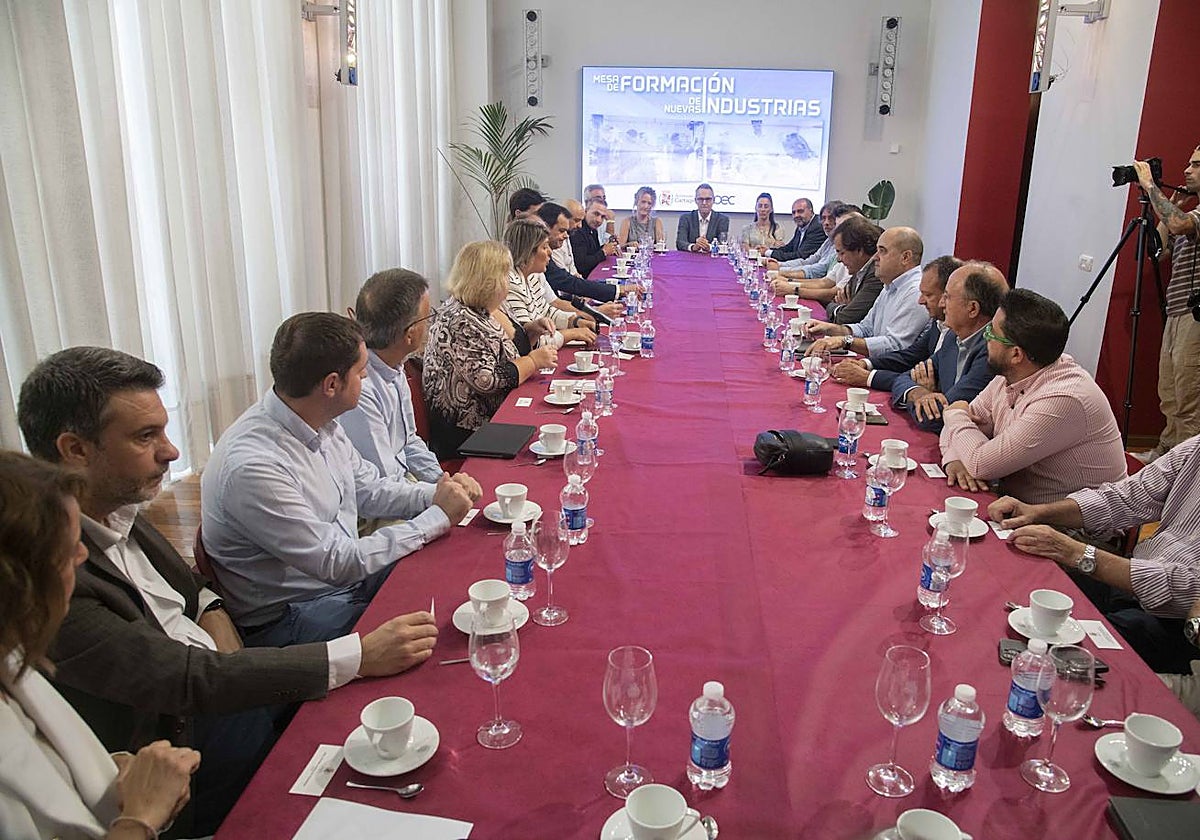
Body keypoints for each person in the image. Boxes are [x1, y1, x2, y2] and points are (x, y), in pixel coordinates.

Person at [17, 347, 449, 834]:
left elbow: (191, 584)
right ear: (75, 450)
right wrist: (359, 656)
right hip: (202, 754)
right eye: (145, 436)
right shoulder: (53, 577)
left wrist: (214, 613)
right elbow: (185, 679)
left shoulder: (115, 506)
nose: (172, 451)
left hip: (234, 677)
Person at [202, 314, 474, 647]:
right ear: (331, 385)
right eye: (362, 374)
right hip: (294, 616)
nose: (368, 379)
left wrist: (435, 495)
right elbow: (338, 562)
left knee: (458, 573)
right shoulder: (255, 469)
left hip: (339, 585)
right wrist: (438, 516)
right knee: (437, 634)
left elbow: (368, 488)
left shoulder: (319, 419)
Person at [0, 451, 200, 840]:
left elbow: (40, 766)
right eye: (67, 552)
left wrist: (118, 773)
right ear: (20, 585)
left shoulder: (13, 658)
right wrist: (140, 818)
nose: (83, 557)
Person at [989, 433, 1200, 673]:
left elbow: (1188, 588)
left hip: (1177, 623)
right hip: (1132, 577)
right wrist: (1037, 512)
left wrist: (1080, 554)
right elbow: (1122, 499)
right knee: (1022, 593)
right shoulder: (1194, 448)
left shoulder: (1067, 396)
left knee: (1059, 659)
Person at [939, 289, 1127, 503]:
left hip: (1070, 528)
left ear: (1016, 354)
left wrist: (953, 413)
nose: (985, 337)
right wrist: (953, 458)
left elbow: (980, 463)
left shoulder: (1064, 398)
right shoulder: (1012, 374)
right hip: (1015, 504)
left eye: (991, 332)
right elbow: (965, 432)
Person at [341, 268, 480, 485]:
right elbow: (384, 483)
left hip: (405, 485)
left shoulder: (395, 364)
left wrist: (443, 481)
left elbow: (409, 442)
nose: (431, 323)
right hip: (382, 503)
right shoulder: (361, 390)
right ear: (410, 333)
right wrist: (435, 496)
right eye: (428, 316)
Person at [833, 259, 1005, 433]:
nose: (941, 304)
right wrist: (918, 392)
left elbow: (935, 418)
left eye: (947, 297)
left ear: (972, 309)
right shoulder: (953, 336)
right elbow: (905, 376)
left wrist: (925, 396)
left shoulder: (992, 353)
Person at [424, 240, 559, 459]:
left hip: (492, 419)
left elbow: (506, 351)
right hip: (469, 432)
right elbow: (487, 380)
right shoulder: (460, 319)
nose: (508, 281)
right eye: (505, 275)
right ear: (489, 280)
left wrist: (532, 332)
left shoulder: (483, 307)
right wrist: (533, 362)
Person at [1132, 150, 1200, 464]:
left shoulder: (1192, 220)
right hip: (1178, 311)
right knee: (1170, 393)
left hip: (1195, 315)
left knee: (1189, 396)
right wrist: (1168, 208)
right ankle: (1166, 454)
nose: (1186, 170)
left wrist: (1151, 187)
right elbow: (1156, 253)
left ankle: (1183, 469)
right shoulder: (1190, 214)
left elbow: (1180, 223)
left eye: (1196, 165)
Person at [805, 227, 929, 357]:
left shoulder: (915, 292)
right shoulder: (891, 285)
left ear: (905, 257)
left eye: (882, 251)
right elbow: (866, 328)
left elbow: (895, 345)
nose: (875, 257)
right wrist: (829, 329)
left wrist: (844, 341)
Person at [503, 218, 598, 340]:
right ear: (528, 252)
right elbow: (527, 340)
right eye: (544, 247)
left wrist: (575, 321)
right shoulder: (511, 284)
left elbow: (546, 311)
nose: (550, 252)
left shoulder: (533, 276)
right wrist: (572, 334)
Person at [773, 214, 880, 322]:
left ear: (859, 251)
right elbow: (827, 287)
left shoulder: (874, 274)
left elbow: (844, 317)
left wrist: (792, 287)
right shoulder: (859, 268)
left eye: (842, 253)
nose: (838, 259)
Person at [535, 203, 633, 315]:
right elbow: (566, 283)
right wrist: (596, 312)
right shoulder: (534, 264)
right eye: (562, 231)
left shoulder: (575, 235)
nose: (567, 235)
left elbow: (555, 301)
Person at [570, 198, 620, 279]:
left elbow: (593, 252)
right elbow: (581, 264)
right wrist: (604, 252)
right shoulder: (577, 230)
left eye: (602, 217)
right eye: (596, 214)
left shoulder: (592, 229)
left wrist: (608, 245)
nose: (599, 220)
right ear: (586, 211)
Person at [765, 198, 825, 262]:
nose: (796, 215)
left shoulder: (817, 227)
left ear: (811, 211)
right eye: (793, 212)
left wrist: (769, 253)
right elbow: (789, 248)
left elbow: (800, 256)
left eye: (800, 211)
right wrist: (768, 250)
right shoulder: (802, 225)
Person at [675, 183, 730, 252]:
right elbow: (680, 243)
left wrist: (709, 247)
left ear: (714, 200)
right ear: (695, 200)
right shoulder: (685, 218)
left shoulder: (722, 219)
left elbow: (723, 244)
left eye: (708, 199)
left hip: (712, 260)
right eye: (701, 199)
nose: (704, 203)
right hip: (690, 259)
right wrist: (693, 247)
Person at [552, 199, 587, 276]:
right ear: (565, 217)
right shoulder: (555, 240)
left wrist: (577, 276)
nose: (580, 226)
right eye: (576, 220)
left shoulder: (568, 234)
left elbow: (571, 266)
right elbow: (562, 277)